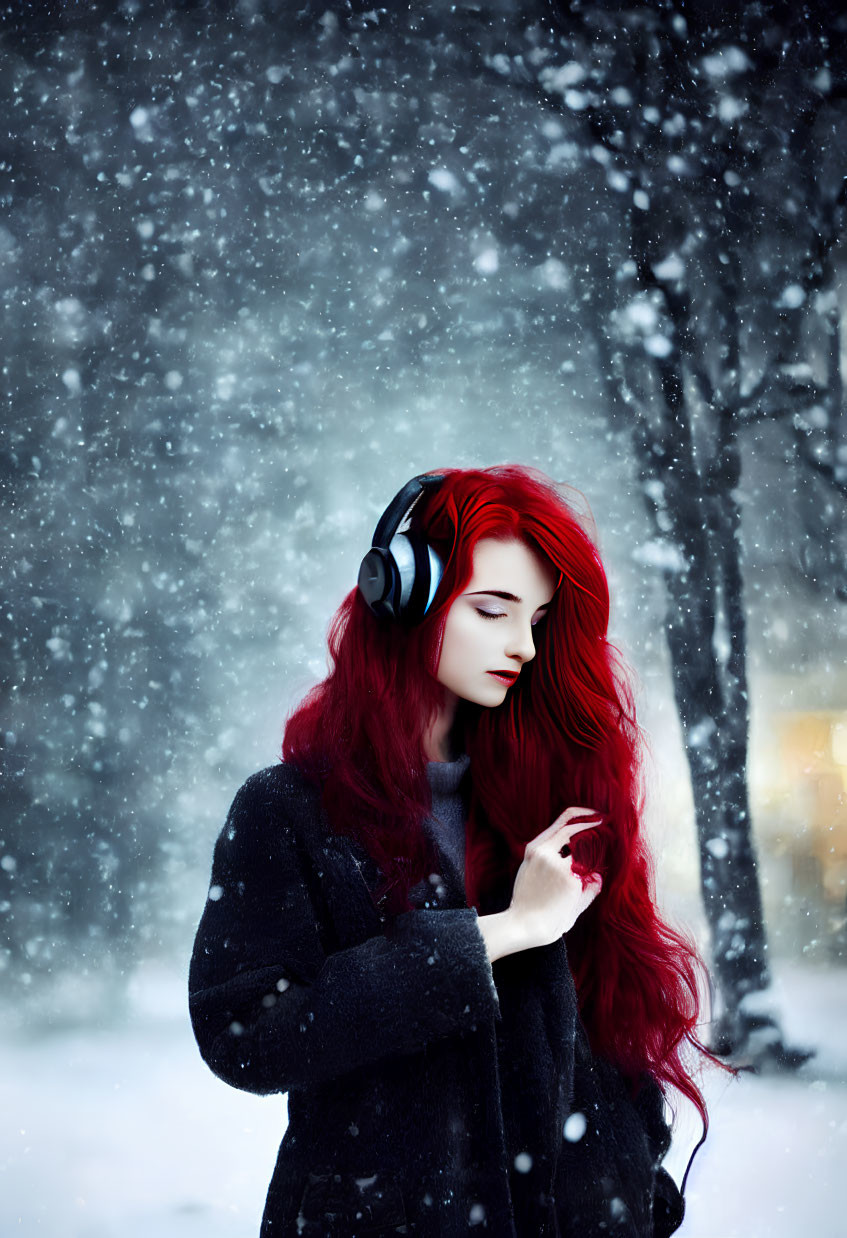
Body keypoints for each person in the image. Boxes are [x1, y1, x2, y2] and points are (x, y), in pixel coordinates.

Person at [188, 465, 718, 1237]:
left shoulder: (547, 792)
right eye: (493, 611)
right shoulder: (288, 809)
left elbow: (609, 1030)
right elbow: (247, 1036)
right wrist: (496, 935)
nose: (524, 647)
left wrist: (633, 1182)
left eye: (535, 619)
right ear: (400, 597)